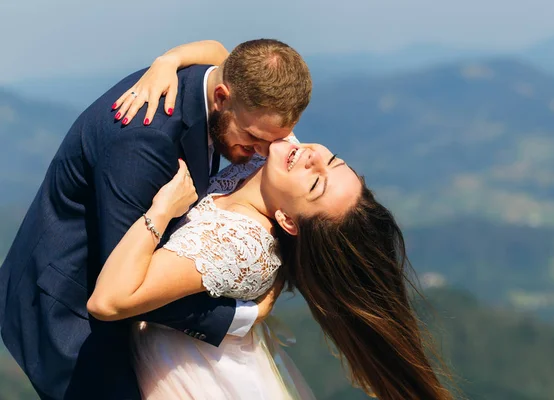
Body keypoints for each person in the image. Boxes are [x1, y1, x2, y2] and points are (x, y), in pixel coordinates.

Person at [0, 39, 312, 399]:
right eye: (254, 138)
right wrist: (242, 315)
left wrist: (168, 58)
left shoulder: (220, 80)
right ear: (222, 97)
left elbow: (217, 50)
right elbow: (127, 288)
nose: (260, 154)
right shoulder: (145, 144)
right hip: (72, 310)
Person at [87, 139, 452, 400]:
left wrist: (163, 209)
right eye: (334, 159)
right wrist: (169, 63)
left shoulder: (238, 244)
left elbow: (108, 301)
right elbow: (232, 63)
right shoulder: (281, 163)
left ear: (287, 222)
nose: (313, 157)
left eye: (315, 183)